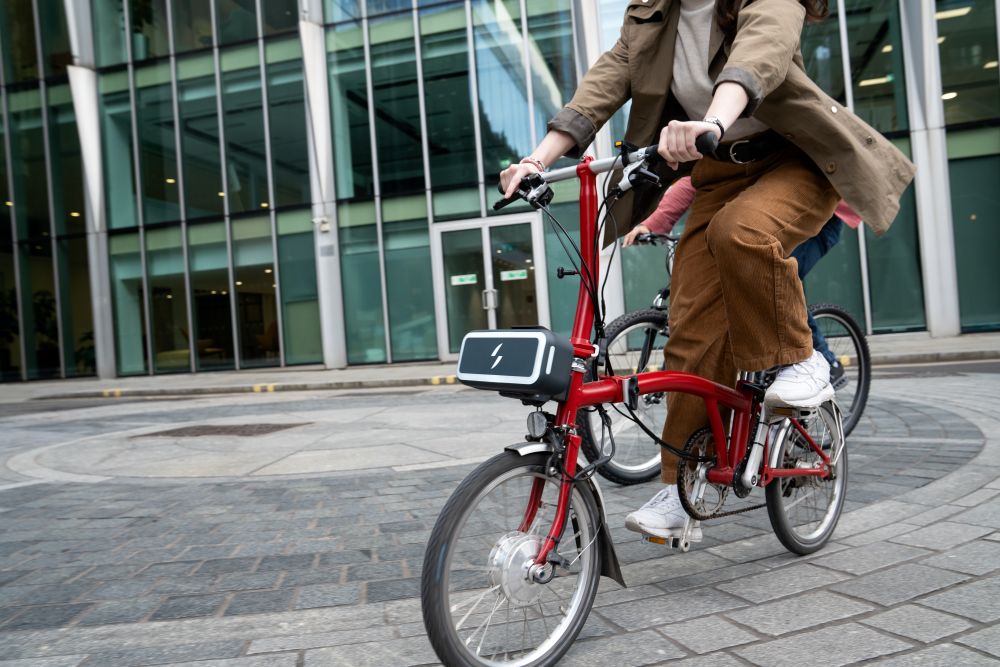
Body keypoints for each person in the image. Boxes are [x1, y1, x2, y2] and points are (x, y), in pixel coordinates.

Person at [500, 0, 914, 542]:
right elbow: (604, 83)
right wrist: (536, 159)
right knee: (689, 330)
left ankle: (803, 358)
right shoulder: (652, 16)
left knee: (742, 234)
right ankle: (683, 487)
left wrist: (712, 121)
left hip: (795, 160)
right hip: (719, 171)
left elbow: (760, 51)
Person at [622, 177, 862, 387]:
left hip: (820, 220)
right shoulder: (713, 162)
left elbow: (691, 183)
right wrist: (650, 224)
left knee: (774, 279)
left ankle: (827, 362)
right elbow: (692, 182)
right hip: (766, 222)